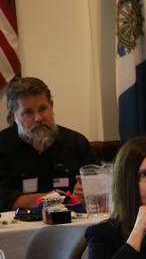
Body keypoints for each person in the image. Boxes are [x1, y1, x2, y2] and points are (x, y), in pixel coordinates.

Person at [0, 76, 99, 211]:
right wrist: (61, 199)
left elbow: (98, 187)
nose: (39, 118)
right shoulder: (3, 146)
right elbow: (4, 198)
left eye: (42, 109)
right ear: (13, 116)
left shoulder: (75, 142)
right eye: (28, 113)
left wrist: (87, 191)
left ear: (51, 105)